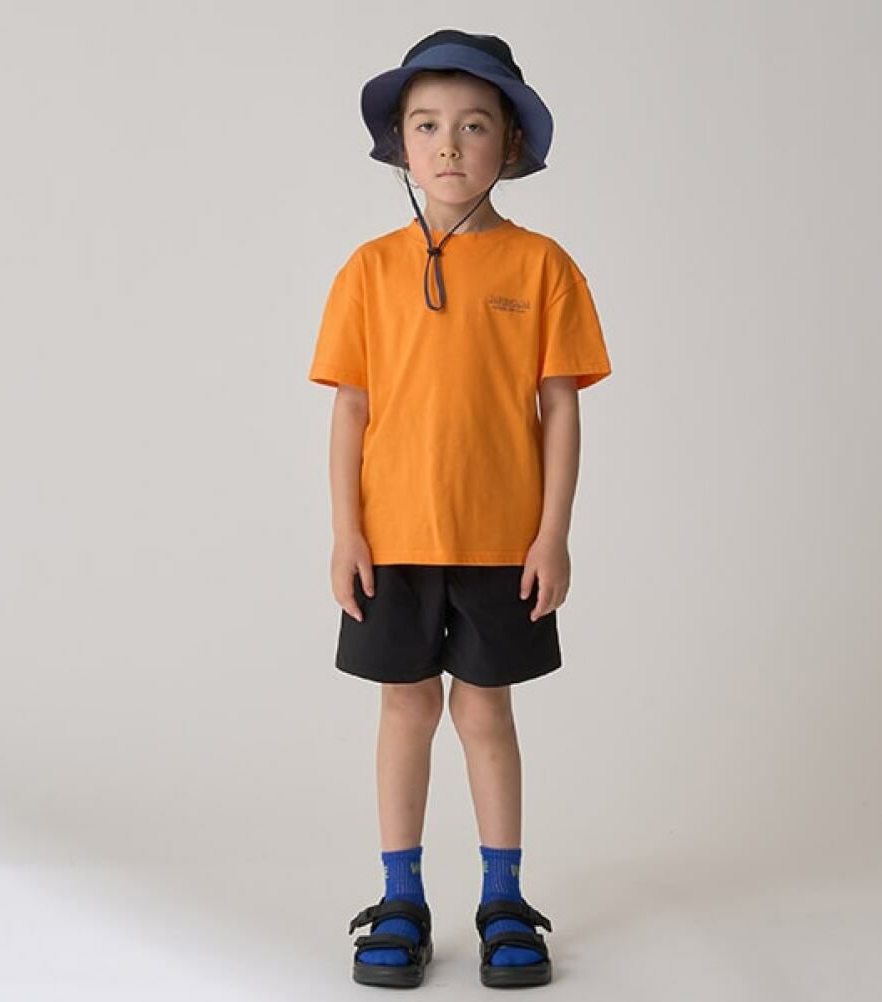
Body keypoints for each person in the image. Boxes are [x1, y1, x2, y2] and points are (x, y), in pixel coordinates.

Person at [308, 28, 612, 989]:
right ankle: (400, 898)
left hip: (501, 543)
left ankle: (503, 899)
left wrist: (552, 534)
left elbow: (560, 409)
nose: (449, 144)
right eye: (428, 125)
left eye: (474, 125)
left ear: (510, 145)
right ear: (399, 143)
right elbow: (350, 409)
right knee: (406, 709)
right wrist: (346, 531)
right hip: (392, 540)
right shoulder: (367, 270)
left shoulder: (543, 267)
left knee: (485, 713)